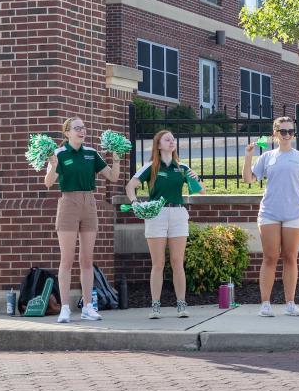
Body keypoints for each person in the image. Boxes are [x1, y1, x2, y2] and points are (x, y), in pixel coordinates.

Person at [242, 116, 299, 317]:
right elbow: (248, 179)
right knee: (270, 257)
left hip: (294, 214)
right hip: (270, 213)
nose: (288, 135)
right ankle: (265, 304)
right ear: (275, 134)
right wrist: (248, 156)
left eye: (291, 131)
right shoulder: (267, 157)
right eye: (283, 131)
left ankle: (290, 303)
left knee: (290, 257)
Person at [44, 116, 121, 323]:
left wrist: (116, 159)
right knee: (67, 260)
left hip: (89, 203)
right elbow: (48, 183)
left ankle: (88, 306)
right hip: (68, 203)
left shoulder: (91, 153)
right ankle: (65, 308)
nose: (82, 131)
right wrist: (52, 166)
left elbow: (113, 177)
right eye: (77, 128)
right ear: (67, 133)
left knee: (87, 260)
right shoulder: (59, 153)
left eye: (84, 128)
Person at [125, 129, 204, 319]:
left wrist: (196, 178)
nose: (172, 142)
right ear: (158, 145)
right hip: (156, 214)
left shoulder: (182, 167)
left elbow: (201, 191)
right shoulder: (151, 166)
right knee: (158, 263)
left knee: (178, 262)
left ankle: (181, 304)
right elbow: (130, 186)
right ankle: (155, 306)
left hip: (178, 213)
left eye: (173, 139)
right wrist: (135, 203)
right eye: (167, 139)